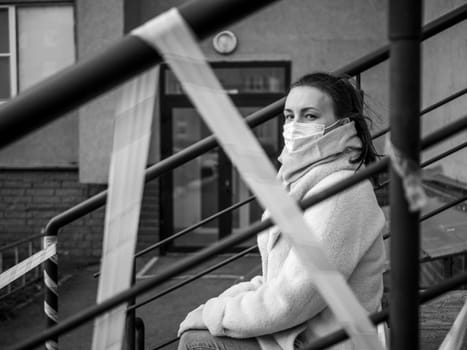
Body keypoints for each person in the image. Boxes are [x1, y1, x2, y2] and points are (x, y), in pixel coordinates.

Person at [177, 72, 387, 350]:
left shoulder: (340, 192)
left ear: (342, 125)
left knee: (197, 342)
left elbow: (291, 301)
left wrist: (215, 315)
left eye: (309, 116)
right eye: (289, 116)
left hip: (330, 341)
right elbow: (280, 280)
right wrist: (219, 306)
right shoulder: (302, 179)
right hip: (302, 330)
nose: (294, 126)